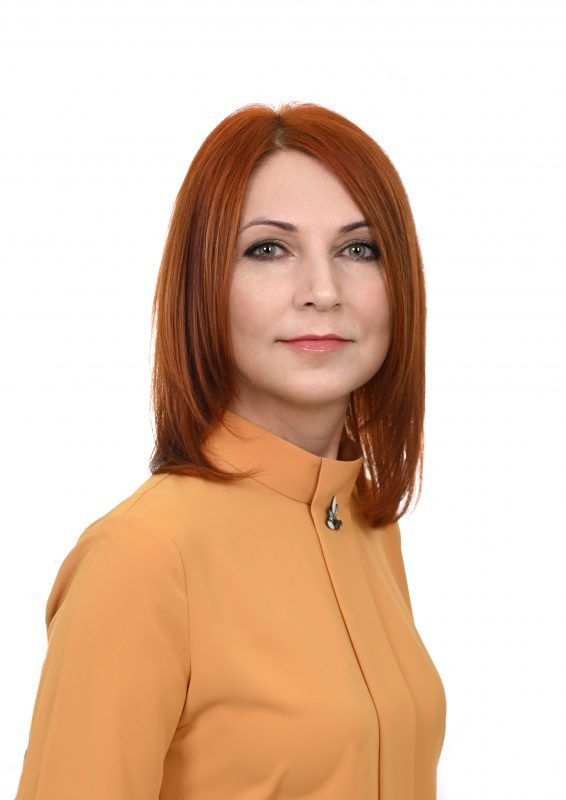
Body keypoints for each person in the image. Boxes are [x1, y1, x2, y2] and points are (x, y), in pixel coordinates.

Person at [15, 101, 446, 799]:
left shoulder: (370, 526)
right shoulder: (143, 558)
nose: (323, 292)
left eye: (358, 249)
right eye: (268, 249)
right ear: (204, 282)